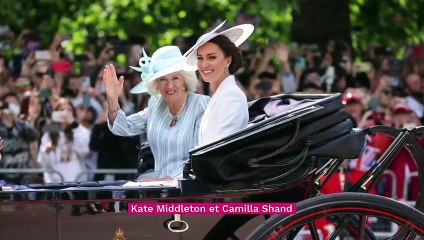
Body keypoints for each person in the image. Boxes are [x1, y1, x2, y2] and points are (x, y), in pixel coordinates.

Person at [103, 46, 210, 181]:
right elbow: (124, 127)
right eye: (162, 79)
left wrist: (165, 180)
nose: (169, 85)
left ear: (185, 79)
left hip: (191, 188)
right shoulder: (156, 104)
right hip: (158, 189)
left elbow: (200, 156)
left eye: (175, 78)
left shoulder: (202, 104)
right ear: (156, 84)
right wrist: (112, 99)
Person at [184, 21, 254, 146]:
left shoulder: (232, 96)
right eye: (200, 58)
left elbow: (222, 149)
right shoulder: (220, 94)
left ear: (228, 60)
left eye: (212, 57)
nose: (204, 64)